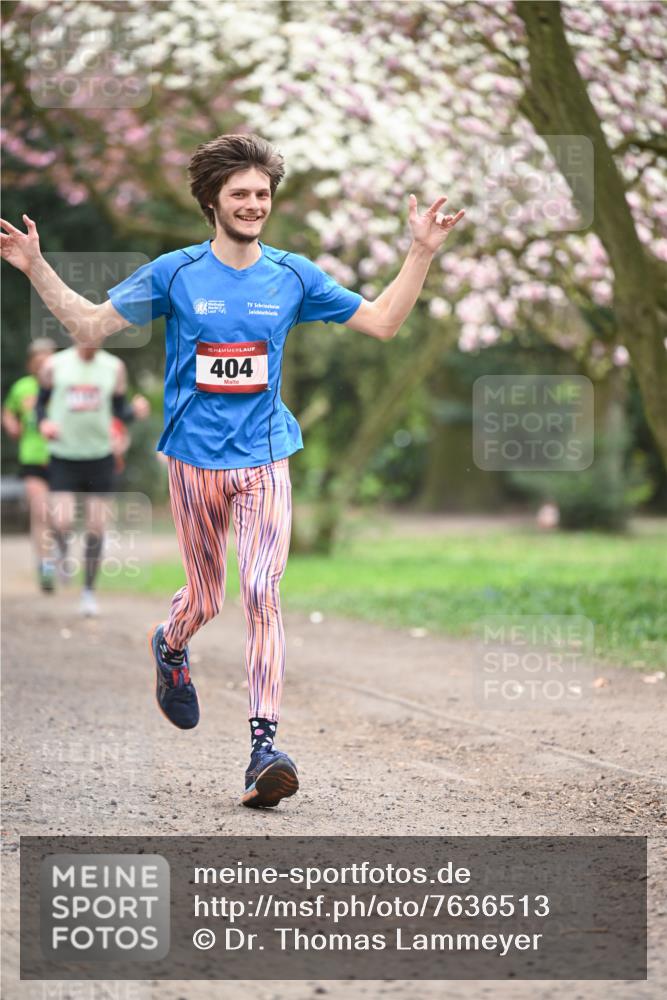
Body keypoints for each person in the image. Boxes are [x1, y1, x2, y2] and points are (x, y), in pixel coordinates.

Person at [0, 133, 464, 807]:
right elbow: (89, 324)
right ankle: (171, 642)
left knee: (263, 593)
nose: (254, 205)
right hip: (192, 460)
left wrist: (420, 251)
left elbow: (385, 322)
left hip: (266, 456)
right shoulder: (176, 273)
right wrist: (35, 266)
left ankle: (262, 747)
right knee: (206, 599)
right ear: (212, 200)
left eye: (263, 195)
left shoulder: (293, 276)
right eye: (241, 193)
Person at [35, 343, 150, 616]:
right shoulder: (54, 365)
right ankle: (61, 550)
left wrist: (135, 411)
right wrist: (44, 423)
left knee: (96, 528)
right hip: (64, 455)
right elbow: (40, 406)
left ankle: (88, 592)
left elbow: (119, 411)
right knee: (61, 520)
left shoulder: (114, 367)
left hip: (100, 457)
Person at [2, 337, 56, 591]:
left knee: (60, 516)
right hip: (33, 457)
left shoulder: (65, 383)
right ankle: (45, 564)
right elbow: (8, 411)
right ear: (31, 364)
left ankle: (55, 552)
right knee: (40, 511)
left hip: (62, 457)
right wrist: (11, 423)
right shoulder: (22, 387)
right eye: (39, 360)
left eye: (48, 359)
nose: (44, 365)